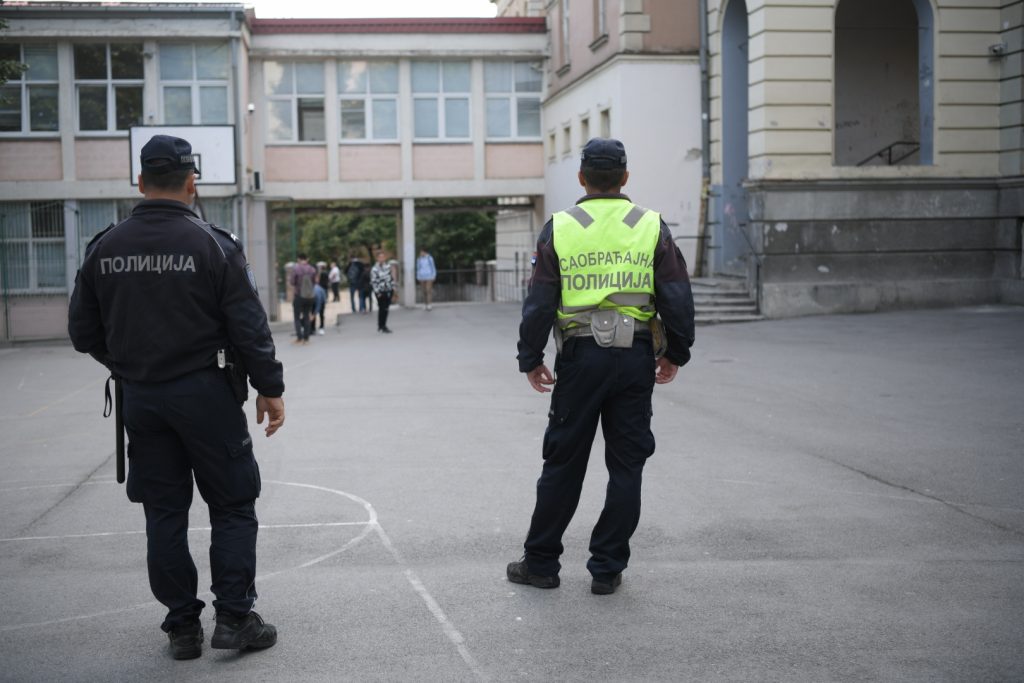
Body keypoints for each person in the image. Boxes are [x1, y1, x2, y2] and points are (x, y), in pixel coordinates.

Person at [67, 134, 285, 660]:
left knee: (164, 511)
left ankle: (182, 627)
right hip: (206, 393)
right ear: (192, 182)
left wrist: (128, 367)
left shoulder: (105, 246)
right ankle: (234, 618)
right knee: (232, 503)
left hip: (141, 399)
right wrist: (269, 389)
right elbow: (249, 327)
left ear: (139, 183)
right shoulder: (213, 244)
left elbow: (82, 333)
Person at [507, 137, 695, 596]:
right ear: (625, 178)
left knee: (563, 462)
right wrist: (675, 352)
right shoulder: (651, 226)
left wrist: (530, 358)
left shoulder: (561, 227)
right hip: (633, 360)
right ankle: (607, 567)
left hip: (580, 358)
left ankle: (542, 564)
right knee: (627, 465)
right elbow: (676, 296)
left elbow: (540, 301)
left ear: (581, 178)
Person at [291, 253, 316, 344]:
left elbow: (292, 282)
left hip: (299, 295)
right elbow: (314, 283)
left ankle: (299, 337)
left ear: (298, 259)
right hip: (309, 296)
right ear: (307, 259)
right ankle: (306, 338)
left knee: (297, 317)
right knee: (306, 316)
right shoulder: (312, 269)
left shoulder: (296, 269)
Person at [370, 250, 395, 333]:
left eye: (383, 257)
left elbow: (391, 278)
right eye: (380, 257)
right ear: (377, 258)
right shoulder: (374, 269)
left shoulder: (388, 267)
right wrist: (377, 292)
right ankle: (382, 325)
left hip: (388, 290)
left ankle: (382, 325)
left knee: (386, 308)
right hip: (380, 291)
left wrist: (392, 288)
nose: (382, 258)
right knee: (382, 308)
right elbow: (374, 282)